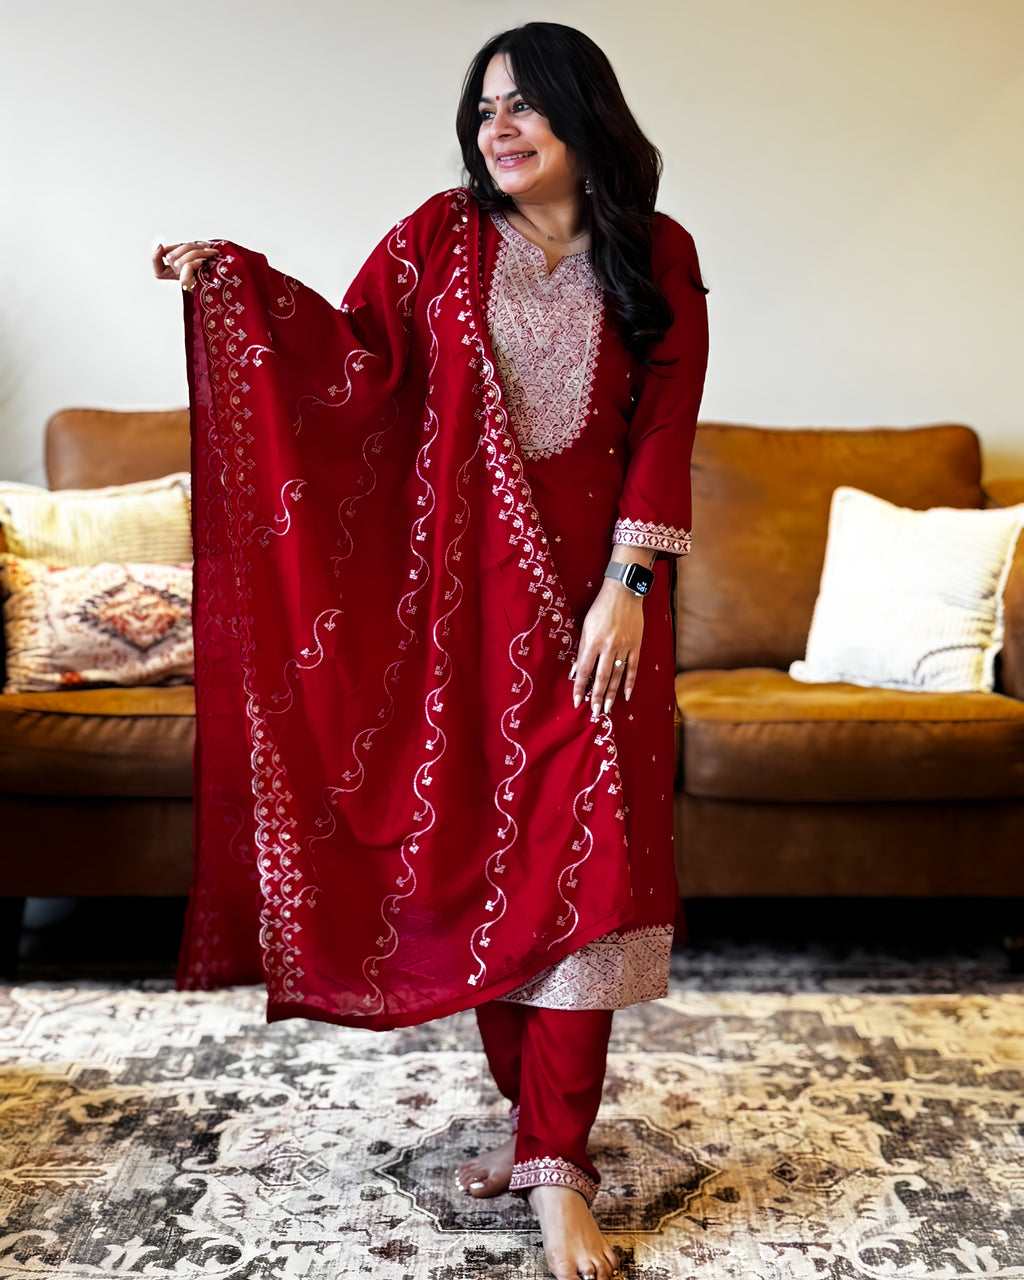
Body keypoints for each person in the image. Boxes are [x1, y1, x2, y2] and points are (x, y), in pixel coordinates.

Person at [155, 22, 707, 1280]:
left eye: (524, 106)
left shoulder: (657, 251)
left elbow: (665, 422)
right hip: (466, 620)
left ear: (586, 115)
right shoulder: (434, 240)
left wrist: (628, 584)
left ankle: (556, 1163)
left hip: (602, 615)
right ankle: (531, 1127)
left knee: (592, 858)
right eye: (482, 110)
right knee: (498, 865)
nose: (497, 129)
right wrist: (234, 284)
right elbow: (350, 366)